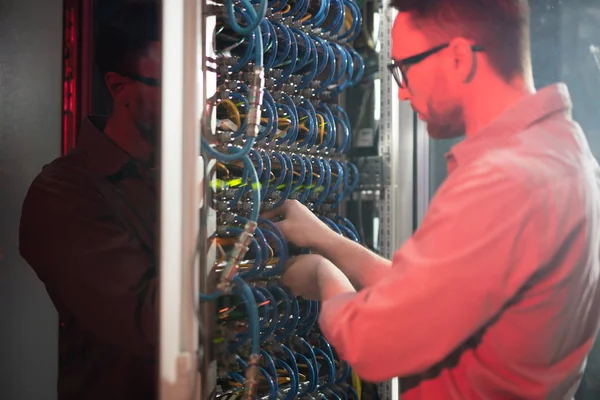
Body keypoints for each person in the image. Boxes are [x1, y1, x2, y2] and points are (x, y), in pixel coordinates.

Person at [265, 0, 600, 399]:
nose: (403, 93)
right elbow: (437, 296)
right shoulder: (563, 152)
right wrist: (327, 240)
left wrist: (324, 278)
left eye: (404, 68)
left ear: (459, 57)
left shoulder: (502, 181)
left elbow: (376, 342)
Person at [19, 2, 161, 399]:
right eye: (175, 83)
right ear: (120, 88)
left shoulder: (187, 173)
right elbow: (150, 323)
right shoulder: (63, 193)